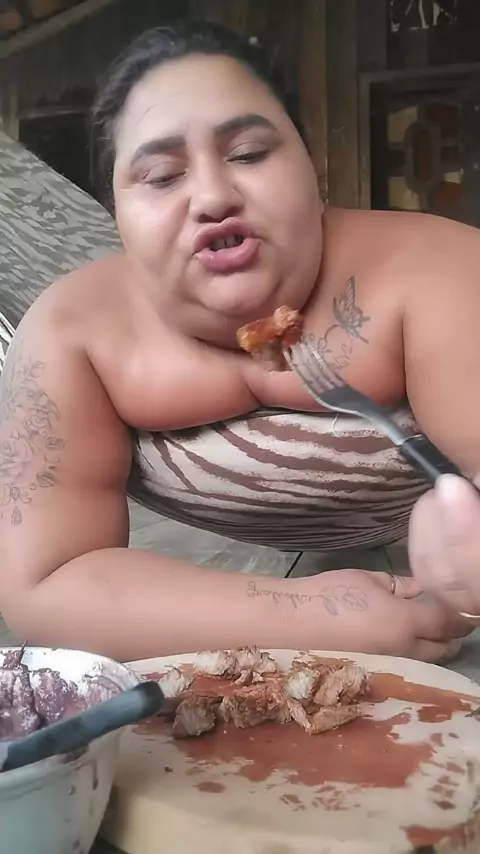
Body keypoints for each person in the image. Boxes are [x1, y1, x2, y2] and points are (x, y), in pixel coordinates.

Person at [0, 22, 478, 664]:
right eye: (161, 175)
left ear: (315, 171)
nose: (212, 196)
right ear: (116, 213)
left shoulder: (438, 270)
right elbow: (44, 583)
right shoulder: (70, 335)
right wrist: (313, 617)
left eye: (249, 153)